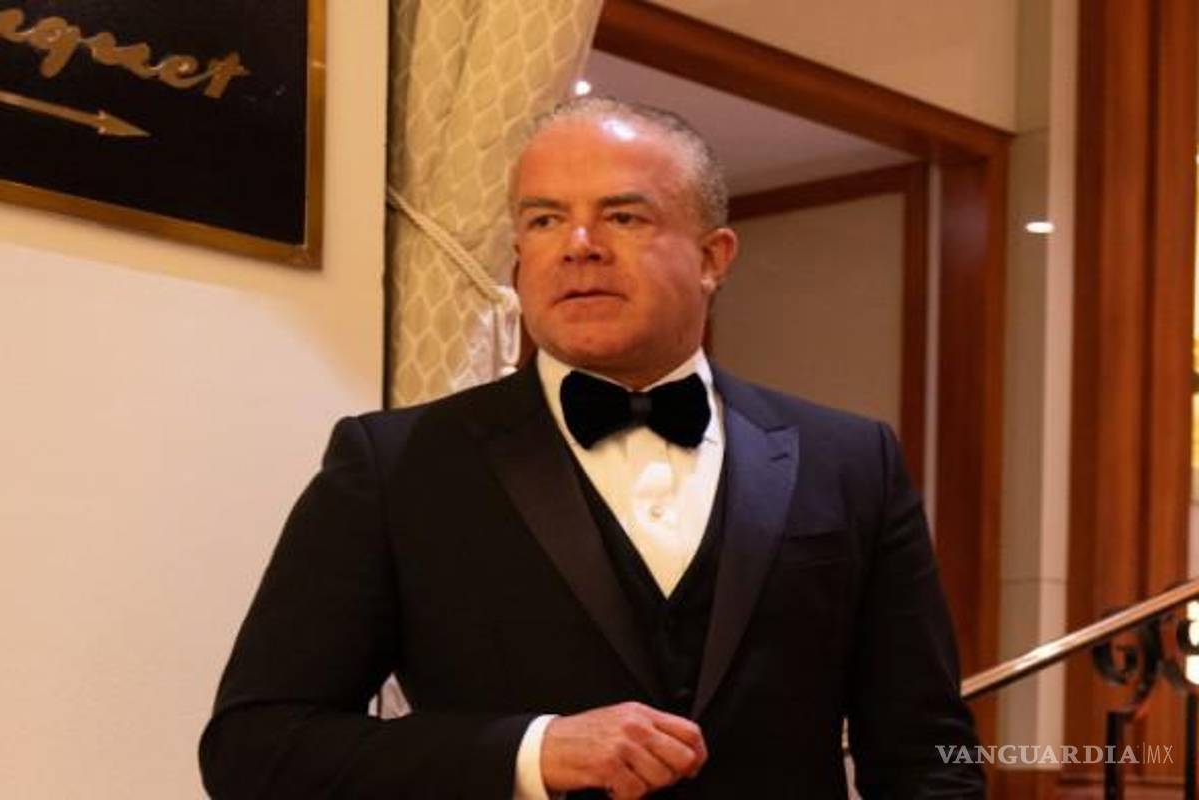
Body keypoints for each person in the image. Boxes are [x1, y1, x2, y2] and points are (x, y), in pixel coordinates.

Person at [199, 96, 983, 798]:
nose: (578, 245)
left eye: (624, 217)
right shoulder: (394, 465)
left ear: (714, 258)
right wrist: (532, 752)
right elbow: (256, 749)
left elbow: (928, 755)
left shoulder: (852, 460)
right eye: (544, 220)